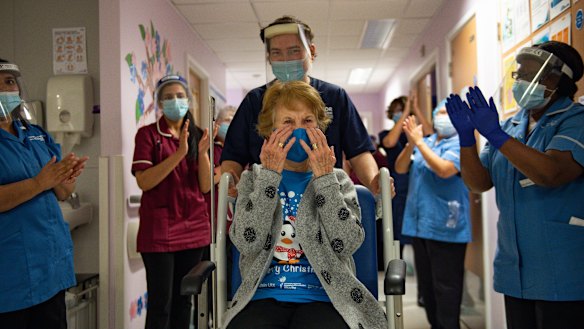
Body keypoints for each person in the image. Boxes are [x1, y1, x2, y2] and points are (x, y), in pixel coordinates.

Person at [223, 81, 387, 329]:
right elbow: (247, 242)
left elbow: (347, 243)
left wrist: (324, 179)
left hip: (327, 295)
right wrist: (269, 177)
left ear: (320, 128)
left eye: (308, 121)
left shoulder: (339, 180)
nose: (298, 130)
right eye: (288, 122)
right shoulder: (253, 180)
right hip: (263, 294)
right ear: (270, 131)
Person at [446, 41, 584, 328]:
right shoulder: (510, 126)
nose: (519, 81)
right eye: (517, 74)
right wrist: (467, 138)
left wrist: (495, 135)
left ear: (554, 80)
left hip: (564, 269)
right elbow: (478, 183)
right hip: (516, 268)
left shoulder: (575, 120)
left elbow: (552, 172)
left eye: (526, 74)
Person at [220, 15, 381, 194]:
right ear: (268, 58)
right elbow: (233, 156)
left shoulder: (334, 97)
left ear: (311, 51)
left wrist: (374, 183)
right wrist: (231, 183)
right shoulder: (254, 101)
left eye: (294, 50)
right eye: (276, 53)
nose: (286, 59)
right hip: (269, 199)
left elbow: (359, 153)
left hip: (325, 195)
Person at [0, 59, 88, 328]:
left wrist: (66, 178)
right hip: (10, 276)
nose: (6, 89)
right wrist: (40, 182)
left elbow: (61, 192)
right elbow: (41, 183)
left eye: (10, 81)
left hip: (50, 267)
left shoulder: (35, 134)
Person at [131, 75, 213, 329]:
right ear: (158, 103)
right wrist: (179, 154)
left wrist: (200, 154)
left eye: (179, 96)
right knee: (160, 304)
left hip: (193, 229)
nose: (174, 101)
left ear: (188, 100)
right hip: (160, 232)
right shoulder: (148, 135)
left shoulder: (197, 134)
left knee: (184, 301)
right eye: (168, 97)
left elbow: (205, 185)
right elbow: (144, 181)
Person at [395, 101, 471, 329]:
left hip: (446, 226)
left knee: (446, 289)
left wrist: (418, 142)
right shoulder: (425, 142)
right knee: (427, 289)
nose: (442, 116)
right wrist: (411, 144)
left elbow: (445, 169)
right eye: (440, 112)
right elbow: (400, 167)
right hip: (420, 226)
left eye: (448, 113)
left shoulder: (461, 144)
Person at [378, 92, 433, 259]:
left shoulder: (418, 133)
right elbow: (390, 143)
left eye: (402, 110)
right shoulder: (386, 134)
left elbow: (431, 134)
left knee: (421, 228)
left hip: (420, 183)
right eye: (396, 111)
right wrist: (405, 113)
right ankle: (397, 263)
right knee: (397, 228)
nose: (399, 114)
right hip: (398, 186)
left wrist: (415, 109)